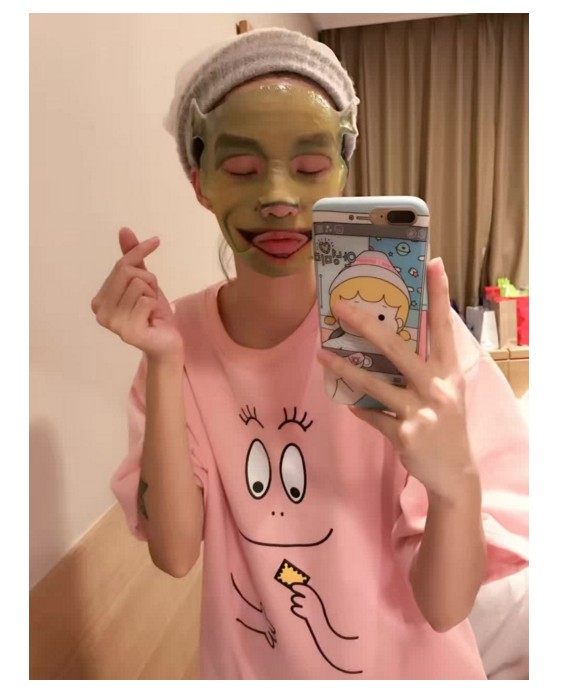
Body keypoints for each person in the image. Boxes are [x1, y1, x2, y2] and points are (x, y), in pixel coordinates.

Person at [91, 28, 528, 679]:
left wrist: (455, 481)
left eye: (310, 167)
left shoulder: (414, 338)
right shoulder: (178, 342)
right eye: (242, 169)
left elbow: (444, 608)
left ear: (343, 171)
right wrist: (162, 362)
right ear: (200, 183)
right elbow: (175, 554)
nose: (277, 196)